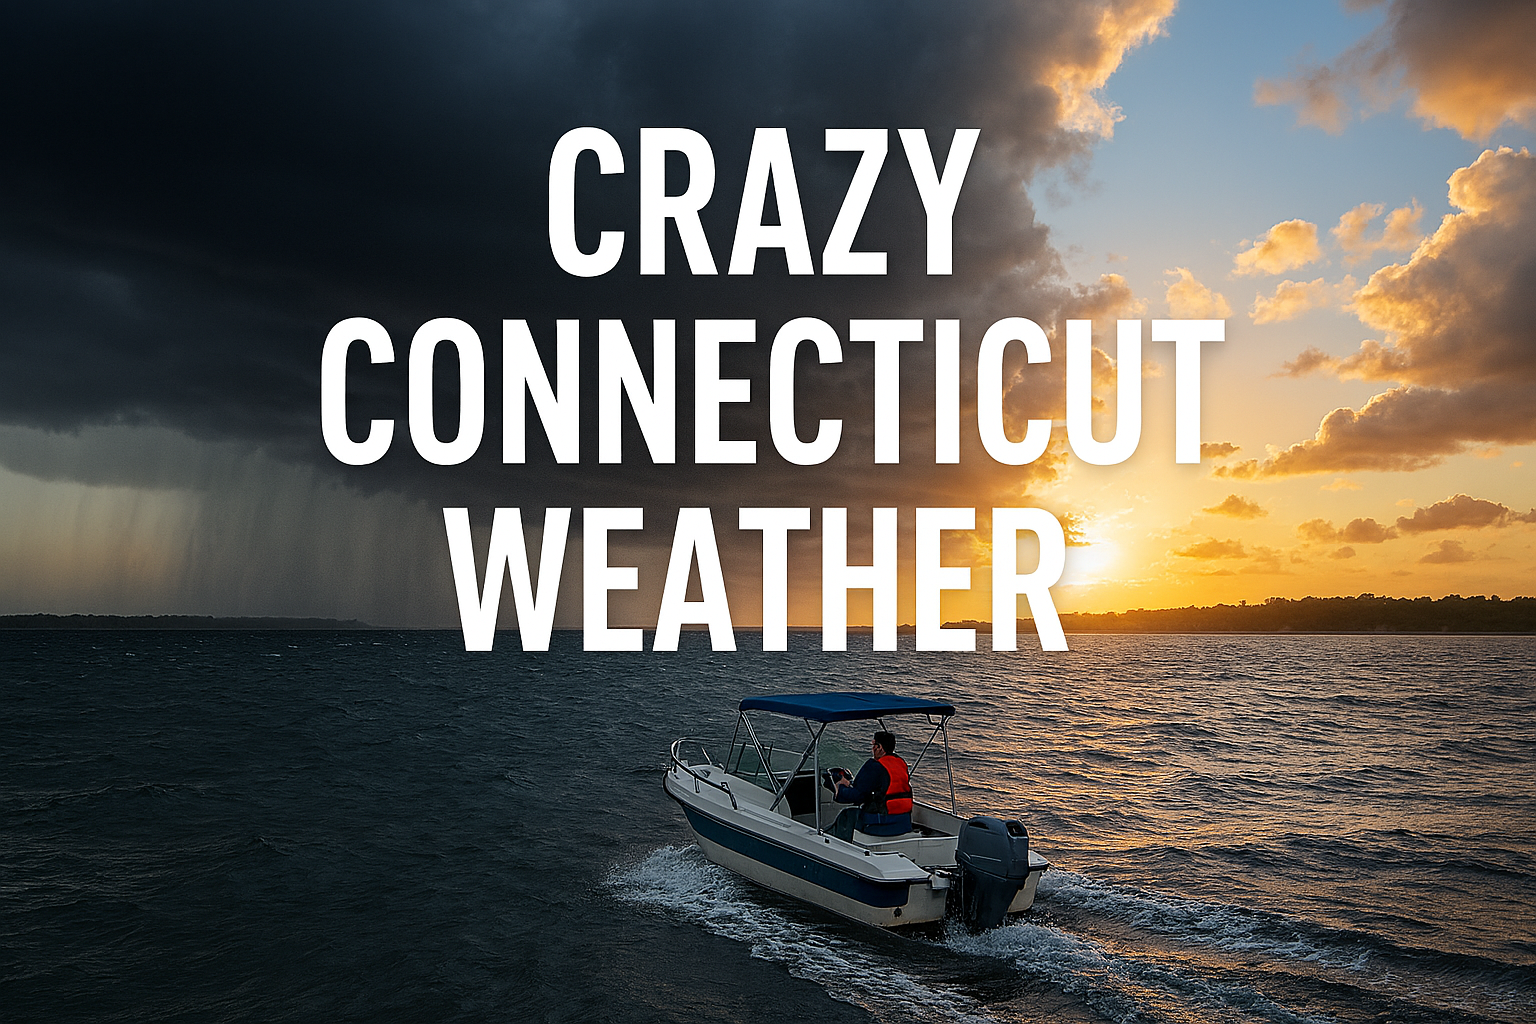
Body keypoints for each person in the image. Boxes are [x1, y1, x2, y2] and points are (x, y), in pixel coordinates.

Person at [826, 730, 912, 841]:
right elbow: (883, 788)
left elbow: (857, 796)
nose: (872, 749)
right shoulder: (901, 763)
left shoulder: (875, 766)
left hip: (881, 822)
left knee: (847, 815)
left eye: (874, 745)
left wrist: (839, 788)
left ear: (879, 747)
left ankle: (836, 848)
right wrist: (849, 783)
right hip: (903, 822)